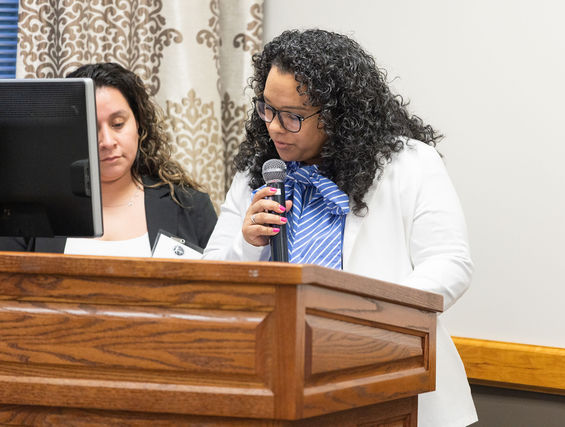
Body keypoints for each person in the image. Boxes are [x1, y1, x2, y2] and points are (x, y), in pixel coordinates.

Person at [203, 29, 476, 426]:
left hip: (390, 378)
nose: (275, 127)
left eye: (293, 116)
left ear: (337, 114)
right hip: (277, 385)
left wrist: (369, 321)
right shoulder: (256, 175)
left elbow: (451, 264)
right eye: (267, 109)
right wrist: (246, 243)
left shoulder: (410, 164)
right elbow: (208, 282)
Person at [0, 62, 216, 256]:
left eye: (118, 124)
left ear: (139, 124)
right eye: (90, 127)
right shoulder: (32, 211)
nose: (107, 141)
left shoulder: (189, 206)